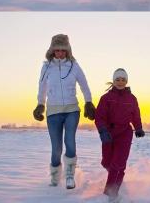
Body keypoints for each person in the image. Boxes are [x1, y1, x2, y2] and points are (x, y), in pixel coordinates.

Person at [33, 34, 95, 189]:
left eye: (63, 50)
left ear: (68, 50)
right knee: (56, 148)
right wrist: (40, 104)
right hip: (53, 111)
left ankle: (69, 176)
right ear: (52, 51)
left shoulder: (74, 66)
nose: (60, 53)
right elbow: (42, 87)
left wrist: (88, 102)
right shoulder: (46, 67)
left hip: (71, 109)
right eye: (57, 50)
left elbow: (84, 84)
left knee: (70, 141)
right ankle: (55, 176)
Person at [95, 68, 145, 202]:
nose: (120, 82)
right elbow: (99, 117)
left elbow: (136, 115)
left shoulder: (132, 98)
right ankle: (116, 174)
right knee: (107, 162)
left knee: (118, 163)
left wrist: (138, 128)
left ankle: (110, 193)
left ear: (126, 81)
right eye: (118, 79)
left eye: (123, 80)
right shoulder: (106, 98)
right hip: (108, 134)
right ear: (113, 81)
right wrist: (103, 131)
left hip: (125, 133)